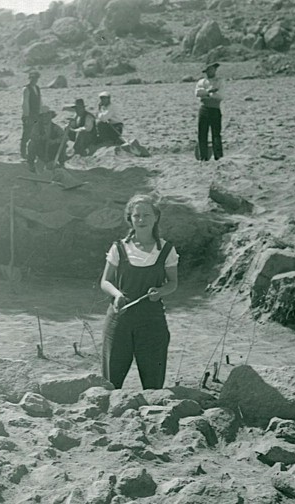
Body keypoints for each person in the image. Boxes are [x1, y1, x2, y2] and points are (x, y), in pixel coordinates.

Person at [100, 194, 179, 390]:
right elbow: (105, 281)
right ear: (130, 219)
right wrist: (117, 295)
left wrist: (160, 291)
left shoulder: (166, 250)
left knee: (153, 383)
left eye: (146, 215)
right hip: (119, 319)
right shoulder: (119, 248)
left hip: (152, 322)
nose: (141, 220)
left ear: (156, 217)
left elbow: (173, 283)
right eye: (136, 216)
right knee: (111, 382)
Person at [195, 62, 224, 161]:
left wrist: (207, 93)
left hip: (215, 108)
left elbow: (220, 95)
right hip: (204, 107)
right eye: (209, 69)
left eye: (212, 69)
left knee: (216, 133)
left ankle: (218, 156)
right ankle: (203, 156)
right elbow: (198, 93)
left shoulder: (220, 81)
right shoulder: (202, 82)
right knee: (202, 133)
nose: (211, 71)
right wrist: (210, 91)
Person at [26, 105, 65, 172]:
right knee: (31, 144)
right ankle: (31, 164)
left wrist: (55, 141)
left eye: (47, 115)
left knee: (63, 144)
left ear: (50, 116)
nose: (45, 118)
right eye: (43, 116)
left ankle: (62, 164)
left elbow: (64, 137)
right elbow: (32, 136)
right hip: (41, 149)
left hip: (52, 150)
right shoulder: (36, 127)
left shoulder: (55, 127)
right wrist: (42, 138)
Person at [20, 70, 42, 159]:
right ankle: (23, 153)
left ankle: (34, 153)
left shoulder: (37, 88)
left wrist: (40, 113)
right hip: (29, 115)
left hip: (36, 114)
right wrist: (26, 116)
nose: (34, 80)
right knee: (26, 134)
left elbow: (39, 101)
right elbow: (25, 103)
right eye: (32, 78)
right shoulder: (26, 89)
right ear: (30, 79)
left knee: (36, 134)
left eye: (36, 78)